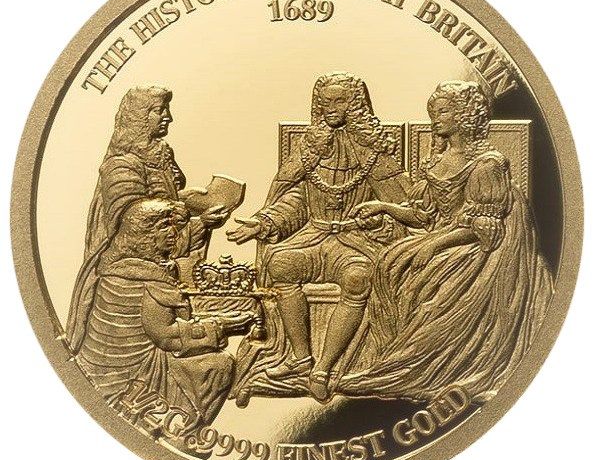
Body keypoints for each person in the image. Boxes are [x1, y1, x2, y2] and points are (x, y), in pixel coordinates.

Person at [345, 80, 553, 402]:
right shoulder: (436, 161)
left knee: (421, 278)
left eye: (443, 111)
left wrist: (434, 245)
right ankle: (391, 355)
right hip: (443, 236)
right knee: (389, 263)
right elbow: (423, 216)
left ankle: (417, 364)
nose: (435, 118)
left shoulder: (487, 164)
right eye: (434, 112)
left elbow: (486, 230)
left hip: (477, 249)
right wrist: (384, 207)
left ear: (464, 115)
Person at [227, 72, 410, 402]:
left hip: (357, 241)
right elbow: (295, 199)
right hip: (315, 236)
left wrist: (378, 221)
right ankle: (300, 358)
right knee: (280, 263)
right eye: (325, 102)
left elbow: (402, 206)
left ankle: (323, 369)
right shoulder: (310, 150)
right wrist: (264, 221)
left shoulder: (374, 153)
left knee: (358, 276)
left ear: (355, 105)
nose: (331, 108)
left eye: (339, 101)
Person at [67, 86, 228, 353]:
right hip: (132, 273)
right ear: (139, 117)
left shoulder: (161, 154)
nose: (168, 117)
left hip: (161, 261)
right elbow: (137, 226)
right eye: (158, 110)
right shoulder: (120, 165)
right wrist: (195, 220)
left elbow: (160, 202)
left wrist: (193, 203)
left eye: (166, 109)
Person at [76, 198, 250, 426]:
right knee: (220, 365)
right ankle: (187, 429)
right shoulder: (149, 279)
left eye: (173, 226)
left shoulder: (116, 268)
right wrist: (220, 327)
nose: (173, 233)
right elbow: (166, 337)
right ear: (145, 235)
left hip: (97, 370)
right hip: (135, 374)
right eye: (164, 227)